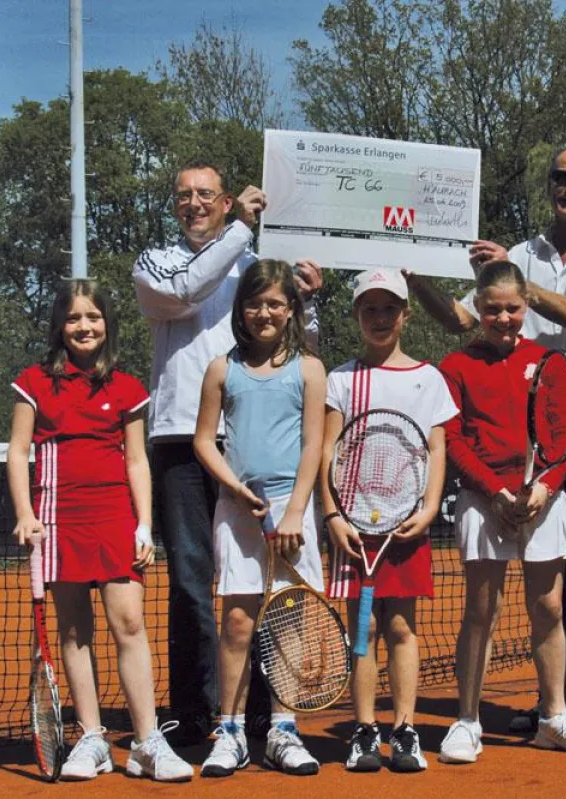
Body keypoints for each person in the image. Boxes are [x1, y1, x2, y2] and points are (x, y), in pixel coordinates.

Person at [407, 142, 566, 731]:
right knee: (550, 585)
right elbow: (462, 320)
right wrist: (415, 278)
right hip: (530, 428)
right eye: (561, 178)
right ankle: (558, 707)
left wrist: (517, 284)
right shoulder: (518, 252)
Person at [132, 160, 323, 745]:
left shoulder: (260, 272)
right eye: (184, 195)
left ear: (221, 200)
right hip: (180, 442)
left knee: (265, 584)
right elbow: (186, 292)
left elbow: (301, 356)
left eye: (206, 194)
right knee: (193, 582)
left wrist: (308, 303)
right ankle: (200, 714)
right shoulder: (156, 263)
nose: (194, 203)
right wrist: (242, 227)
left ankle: (269, 716)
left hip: (253, 445)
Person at [7, 280, 192, 782]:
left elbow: (137, 461)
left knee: (129, 623)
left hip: (114, 518)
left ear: (106, 324)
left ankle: (147, 741)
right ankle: (91, 738)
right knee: (73, 629)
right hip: (58, 520)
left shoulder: (127, 388)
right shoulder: (35, 382)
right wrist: (26, 513)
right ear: (59, 327)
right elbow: (18, 452)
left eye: (93, 316)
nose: (84, 326)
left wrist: (144, 524)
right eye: (73, 318)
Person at [436, 261, 566, 764]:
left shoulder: (548, 361)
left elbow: (564, 433)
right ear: (479, 310)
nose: (504, 318)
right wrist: (493, 491)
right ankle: (467, 722)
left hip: (541, 499)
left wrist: (545, 487)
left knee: (549, 608)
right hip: (485, 501)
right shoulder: (456, 366)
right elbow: (454, 439)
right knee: (481, 611)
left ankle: (553, 716)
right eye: (493, 310)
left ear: (525, 307)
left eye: (512, 309)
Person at [192, 259, 327, 777]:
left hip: (293, 517)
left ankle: (283, 732)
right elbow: (206, 440)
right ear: (241, 310)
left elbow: (314, 444)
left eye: (275, 303)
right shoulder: (222, 369)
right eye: (255, 303)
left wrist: (295, 510)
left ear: (290, 309)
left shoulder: (309, 369)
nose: (264, 312)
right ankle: (230, 733)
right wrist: (234, 489)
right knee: (238, 622)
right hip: (237, 513)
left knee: (288, 622)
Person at [319, 268, 457, 773]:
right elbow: (327, 452)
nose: (380, 318)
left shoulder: (429, 377)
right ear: (356, 315)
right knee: (365, 627)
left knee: (401, 626)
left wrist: (428, 509)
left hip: (407, 523)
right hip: (355, 528)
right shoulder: (341, 378)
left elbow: (436, 449)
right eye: (369, 308)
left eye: (389, 308)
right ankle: (363, 730)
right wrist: (332, 513)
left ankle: (404, 730)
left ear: (406, 313)